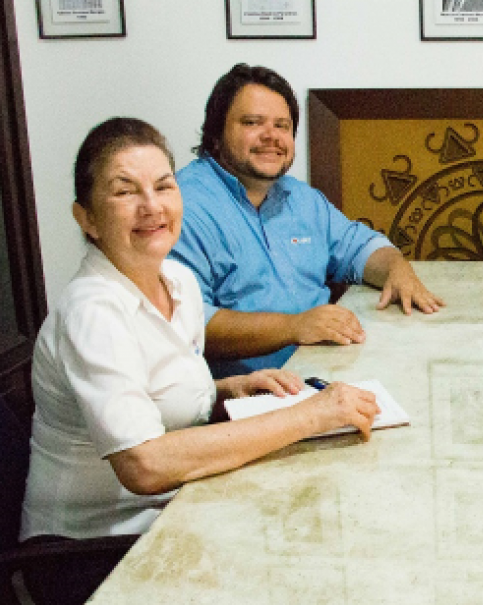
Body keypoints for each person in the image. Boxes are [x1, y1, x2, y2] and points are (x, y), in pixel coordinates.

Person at [21, 117, 383, 605]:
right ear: (88, 218)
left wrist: (224, 390)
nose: (152, 206)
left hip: (171, 513)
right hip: (91, 550)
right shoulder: (91, 312)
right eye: (125, 191)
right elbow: (143, 464)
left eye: (163, 186)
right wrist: (305, 418)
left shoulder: (179, 283)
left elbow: (156, 394)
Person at [170, 63, 444, 378]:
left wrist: (397, 268)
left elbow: (360, 247)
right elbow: (188, 324)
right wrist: (294, 326)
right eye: (252, 122)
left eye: (282, 126)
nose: (271, 136)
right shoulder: (182, 206)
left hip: (326, 372)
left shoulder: (301, 198)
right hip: (248, 395)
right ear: (216, 135)